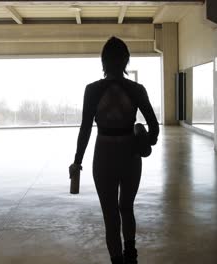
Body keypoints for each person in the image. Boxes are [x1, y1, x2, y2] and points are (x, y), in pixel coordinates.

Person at [70, 36, 159, 264]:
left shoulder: (92, 90)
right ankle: (131, 254)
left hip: (104, 157)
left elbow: (85, 129)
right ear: (126, 61)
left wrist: (77, 160)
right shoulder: (136, 89)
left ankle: (117, 260)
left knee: (110, 216)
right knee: (126, 208)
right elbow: (155, 128)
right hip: (130, 156)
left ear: (103, 61)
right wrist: (144, 140)